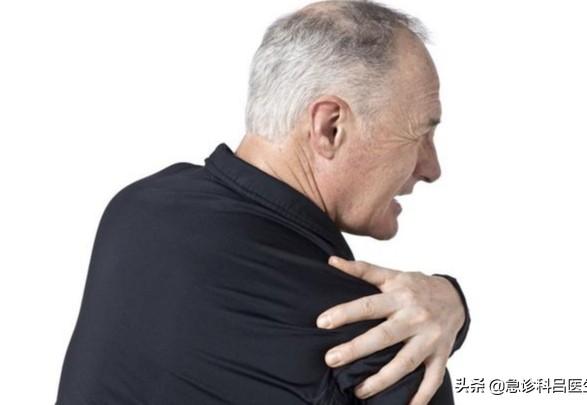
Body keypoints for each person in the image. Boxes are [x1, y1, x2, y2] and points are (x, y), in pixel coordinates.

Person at [55, 1, 470, 404]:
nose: (431, 168)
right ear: (330, 128)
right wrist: (453, 308)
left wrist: (451, 302)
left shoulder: (137, 208)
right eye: (420, 135)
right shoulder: (377, 338)